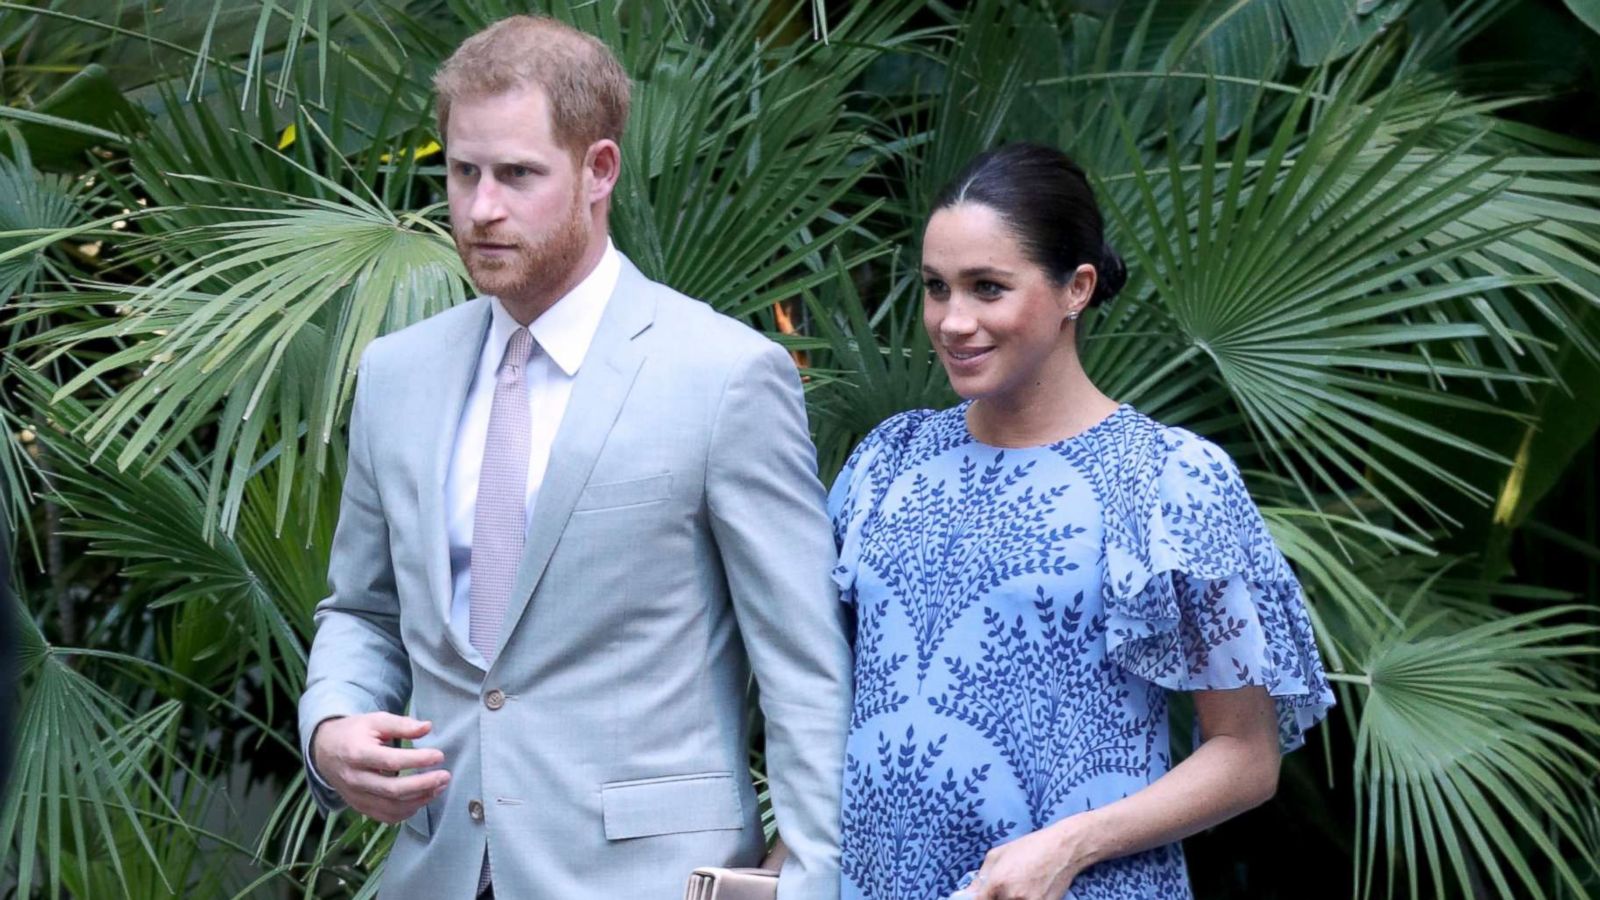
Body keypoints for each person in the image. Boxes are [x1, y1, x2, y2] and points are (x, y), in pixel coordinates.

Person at [297, 16, 851, 900]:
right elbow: (362, 611)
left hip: (648, 877)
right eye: (463, 171)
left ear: (600, 170)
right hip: (435, 872)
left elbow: (805, 672)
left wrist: (815, 885)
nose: (481, 207)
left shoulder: (724, 376)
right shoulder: (395, 376)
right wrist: (330, 726)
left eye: (518, 174)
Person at [828, 143, 1334, 900]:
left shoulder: (1167, 481)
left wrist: (1069, 846)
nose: (953, 321)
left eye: (988, 288)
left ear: (1077, 288)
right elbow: (827, 699)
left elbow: (1246, 754)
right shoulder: (887, 463)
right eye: (936, 288)